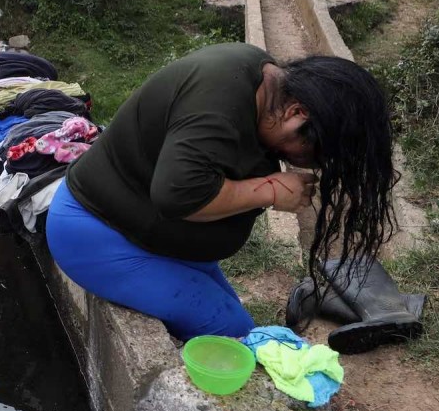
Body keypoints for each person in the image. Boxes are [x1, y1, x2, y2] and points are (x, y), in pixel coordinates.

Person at [46, 42, 395, 341]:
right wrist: (271, 190)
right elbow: (178, 194)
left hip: (151, 238)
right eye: (311, 154)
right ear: (297, 112)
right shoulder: (217, 104)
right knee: (233, 330)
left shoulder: (264, 84)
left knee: (235, 318)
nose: (304, 163)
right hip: (97, 234)